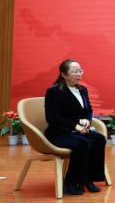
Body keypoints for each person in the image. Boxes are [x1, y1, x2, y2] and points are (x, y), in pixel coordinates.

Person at [44, 59, 107, 195]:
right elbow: (53, 118)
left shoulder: (82, 90)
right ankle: (71, 182)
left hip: (77, 130)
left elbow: (88, 110)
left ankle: (88, 179)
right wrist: (75, 126)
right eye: (75, 71)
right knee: (82, 143)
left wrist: (87, 121)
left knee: (99, 139)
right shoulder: (54, 92)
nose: (79, 74)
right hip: (58, 133)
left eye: (80, 71)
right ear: (64, 74)